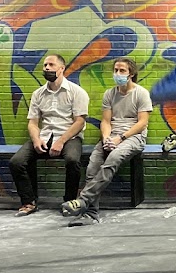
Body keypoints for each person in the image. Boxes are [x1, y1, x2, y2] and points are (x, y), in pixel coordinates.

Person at [61, 57, 152, 224]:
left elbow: (142, 123)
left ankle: (83, 200)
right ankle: (91, 214)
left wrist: (120, 138)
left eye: (122, 70)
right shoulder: (109, 94)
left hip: (133, 137)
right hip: (112, 136)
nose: (117, 73)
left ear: (131, 74)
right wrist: (106, 138)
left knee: (113, 158)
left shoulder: (141, 93)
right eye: (116, 70)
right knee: (92, 167)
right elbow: (106, 121)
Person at [9, 53, 90, 216]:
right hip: (45, 136)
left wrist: (61, 141)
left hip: (70, 137)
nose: (47, 68)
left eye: (51, 65)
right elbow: (33, 123)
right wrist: (36, 140)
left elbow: (79, 122)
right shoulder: (38, 94)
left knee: (73, 161)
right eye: (45, 65)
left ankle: (69, 202)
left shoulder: (77, 92)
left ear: (62, 69)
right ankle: (29, 202)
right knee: (16, 162)